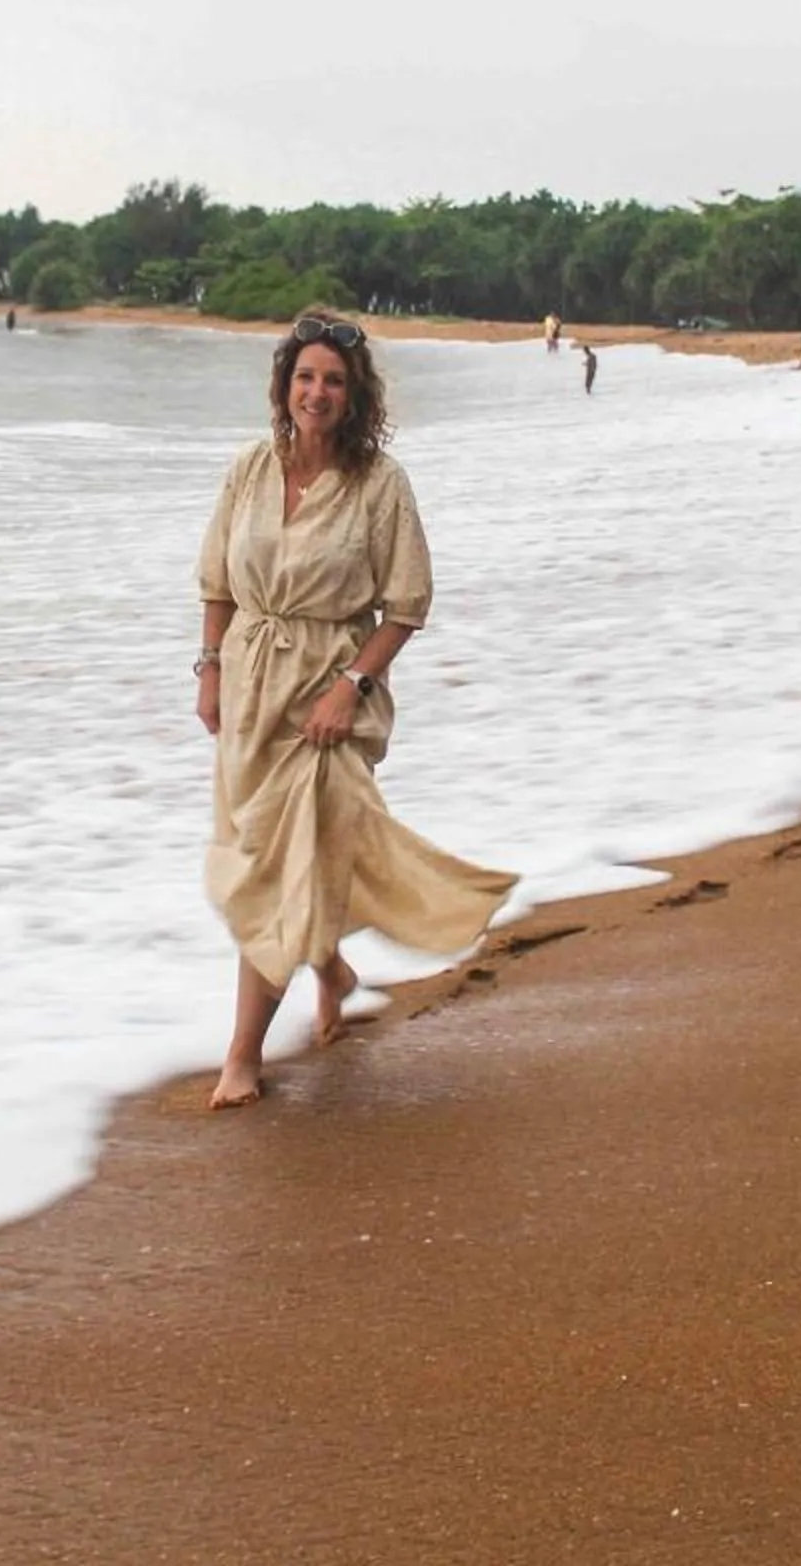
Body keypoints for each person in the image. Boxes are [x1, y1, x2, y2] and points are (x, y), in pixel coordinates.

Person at [192, 312, 515, 1109]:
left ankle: (243, 1059)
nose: (317, 392)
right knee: (268, 857)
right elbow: (216, 583)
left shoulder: (380, 486)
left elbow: (406, 606)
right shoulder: (249, 469)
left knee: (274, 870)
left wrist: (350, 688)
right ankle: (330, 966)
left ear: (355, 394)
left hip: (325, 700)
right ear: (284, 385)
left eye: (334, 381)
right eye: (305, 377)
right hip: (249, 690)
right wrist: (208, 671)